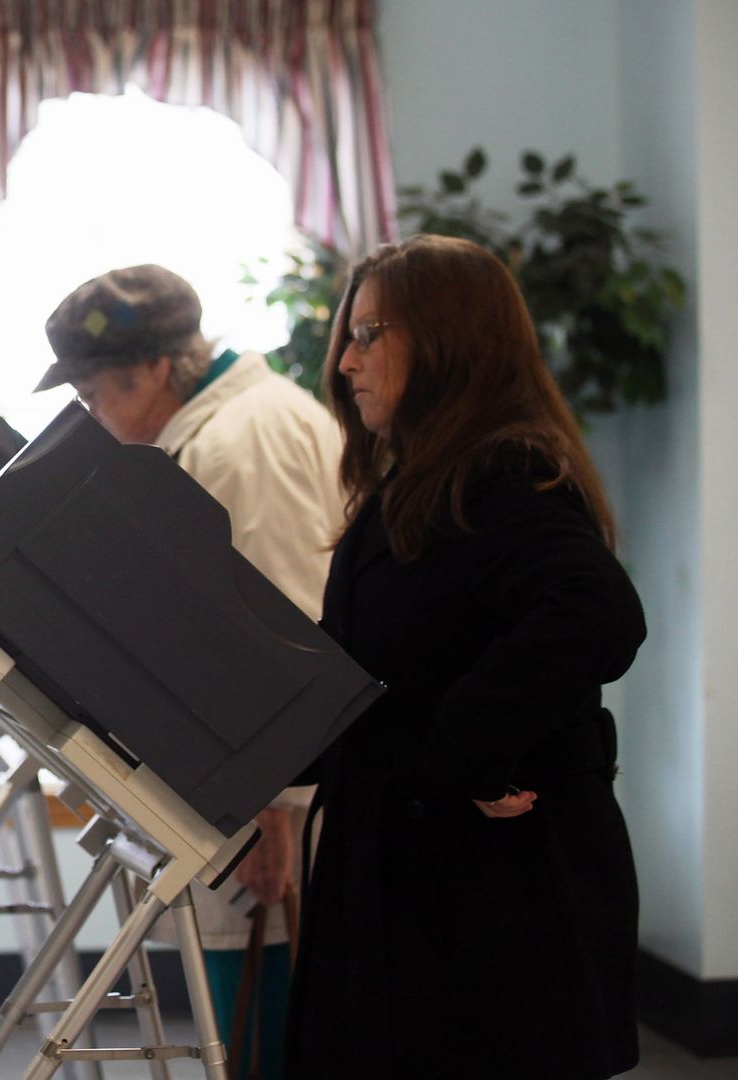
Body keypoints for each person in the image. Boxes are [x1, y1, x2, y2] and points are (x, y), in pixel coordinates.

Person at [284, 234, 644, 1078]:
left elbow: (597, 612)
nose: (344, 361)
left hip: (490, 901)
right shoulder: (415, 483)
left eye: (370, 333)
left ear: (448, 342)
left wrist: (465, 754)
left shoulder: (503, 476)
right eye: (349, 333)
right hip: (413, 881)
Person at [37, 263, 344, 1079]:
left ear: (157, 371)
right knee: (249, 997)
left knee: (262, 1006)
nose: (95, 420)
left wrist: (269, 810)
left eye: (98, 395)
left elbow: (286, 636)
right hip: (245, 771)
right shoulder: (226, 423)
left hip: (269, 789)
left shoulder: (241, 443)